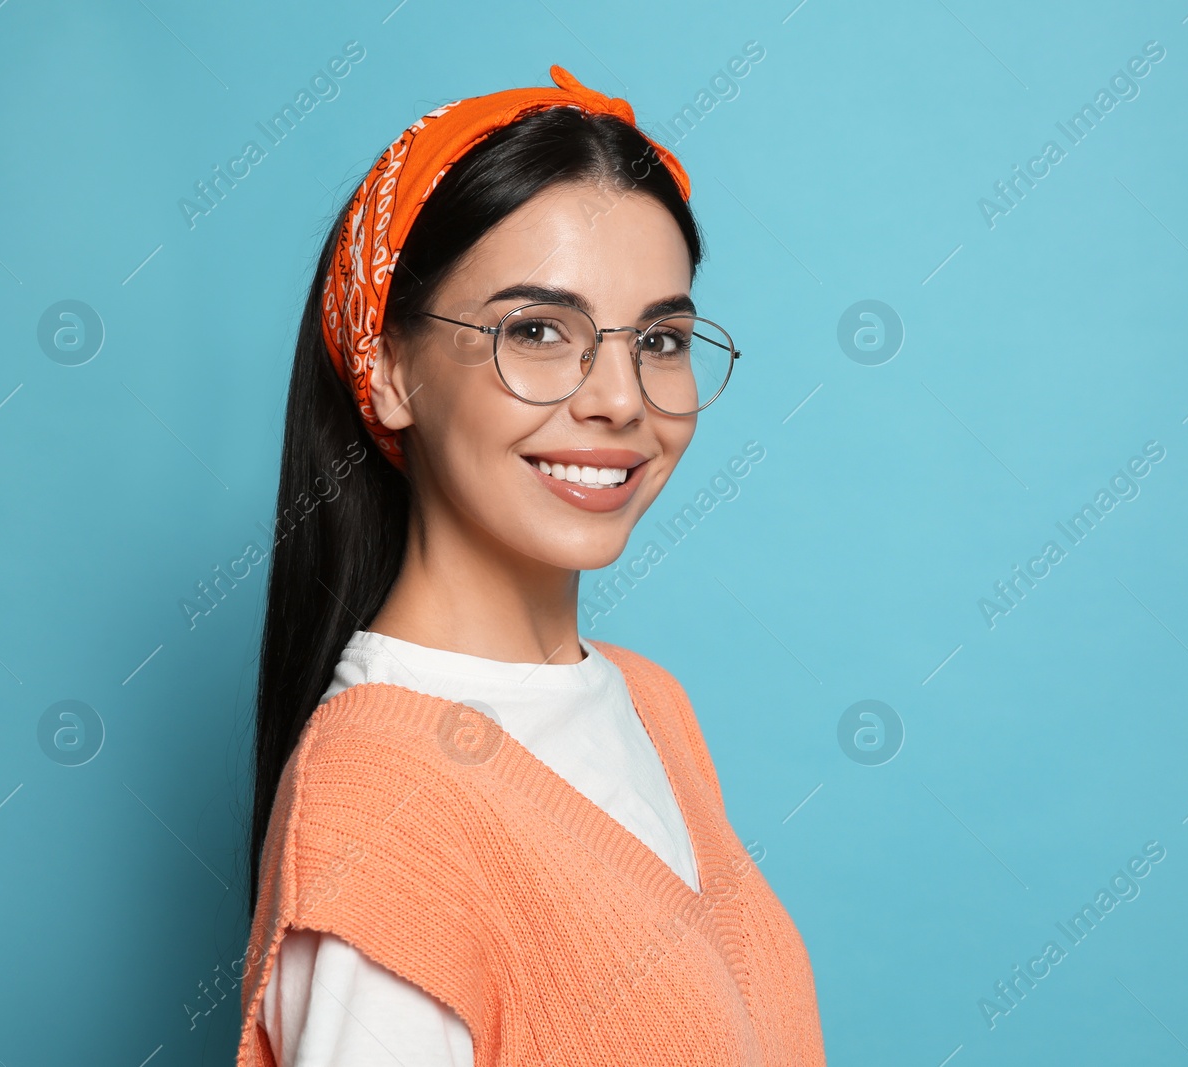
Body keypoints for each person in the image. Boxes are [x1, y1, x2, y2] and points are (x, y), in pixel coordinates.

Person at [236, 64, 828, 1066]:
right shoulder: (381, 809)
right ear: (389, 370)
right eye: (538, 330)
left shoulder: (651, 703)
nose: (618, 397)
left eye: (660, 337)